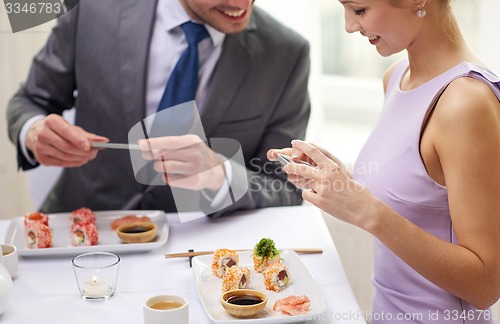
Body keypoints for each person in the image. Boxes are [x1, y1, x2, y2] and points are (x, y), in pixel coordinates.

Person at [269, 0, 500, 322]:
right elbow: (419, 201)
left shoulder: (465, 103)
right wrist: (342, 185)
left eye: (359, 10)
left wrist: (368, 211)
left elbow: (485, 286)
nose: (349, 26)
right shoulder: (397, 76)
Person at [6, 0, 310, 217]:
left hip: (202, 259)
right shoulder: (91, 7)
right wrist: (32, 132)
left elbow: (284, 189)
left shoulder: (287, 54)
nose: (242, 3)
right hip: (81, 238)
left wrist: (222, 176)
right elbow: (29, 101)